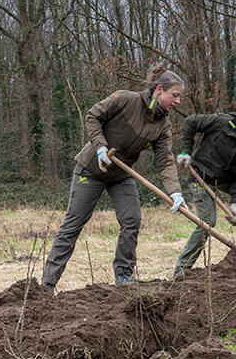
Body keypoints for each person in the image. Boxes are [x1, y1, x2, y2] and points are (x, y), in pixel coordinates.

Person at [42, 64, 186, 290]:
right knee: (74, 224)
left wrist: (175, 191)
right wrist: (100, 147)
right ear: (159, 90)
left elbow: (165, 160)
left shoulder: (162, 125)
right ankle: (47, 285)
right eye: (175, 95)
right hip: (91, 170)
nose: (178, 101)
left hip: (121, 174)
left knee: (132, 220)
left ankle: (123, 277)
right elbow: (93, 116)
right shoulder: (126, 100)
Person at [173, 108, 236, 276]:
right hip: (202, 175)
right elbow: (190, 122)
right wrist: (186, 150)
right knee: (207, 222)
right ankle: (182, 269)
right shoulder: (221, 123)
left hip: (228, 180)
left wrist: (235, 202)